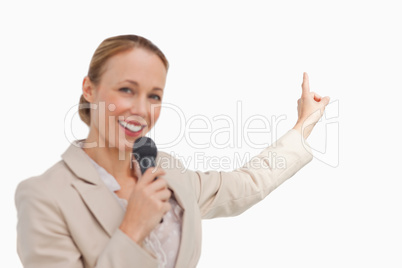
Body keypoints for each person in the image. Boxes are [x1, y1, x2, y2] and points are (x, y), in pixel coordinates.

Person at [15, 34, 330, 268]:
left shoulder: (168, 172)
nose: (141, 109)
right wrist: (132, 229)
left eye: (154, 96)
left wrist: (304, 124)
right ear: (89, 88)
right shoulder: (44, 197)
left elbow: (248, 183)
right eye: (127, 89)